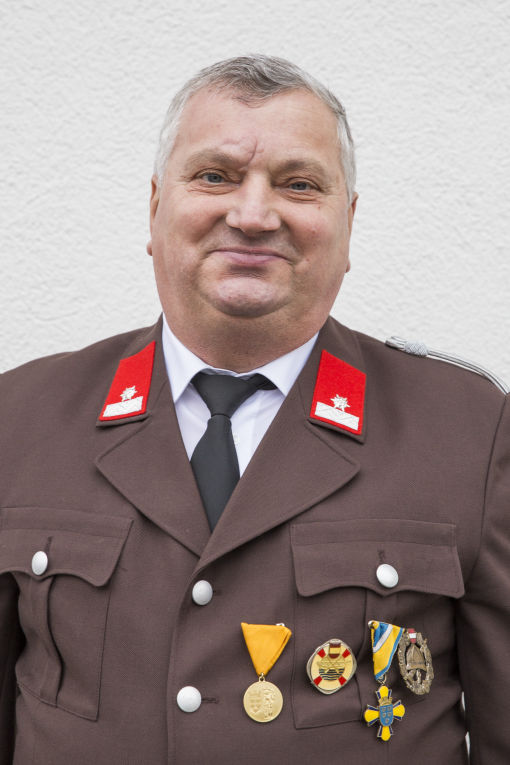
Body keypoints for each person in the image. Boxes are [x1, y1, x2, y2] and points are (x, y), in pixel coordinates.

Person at [0, 55, 508, 765]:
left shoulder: (469, 431)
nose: (252, 215)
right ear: (155, 206)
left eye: (299, 184)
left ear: (348, 222)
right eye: (215, 176)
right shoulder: (21, 418)